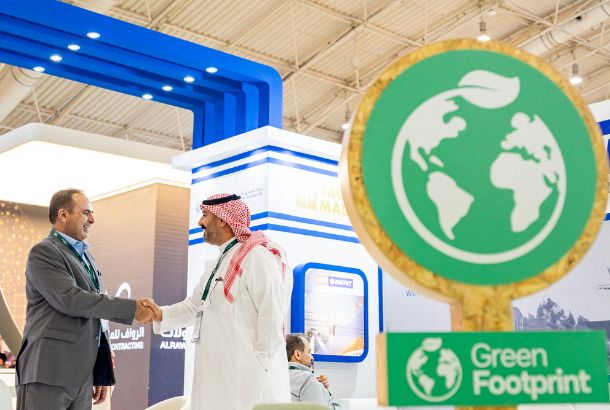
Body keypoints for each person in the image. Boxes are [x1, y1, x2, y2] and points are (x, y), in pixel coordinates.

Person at [145, 193, 293, 410]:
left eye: (204, 215)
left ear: (223, 219)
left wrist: (260, 361)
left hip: (248, 375)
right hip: (219, 375)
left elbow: (272, 312)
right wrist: (160, 314)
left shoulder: (256, 256)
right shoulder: (219, 263)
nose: (199, 222)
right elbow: (194, 306)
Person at [15, 189, 157, 410]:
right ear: (63, 215)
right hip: (48, 373)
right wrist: (132, 309)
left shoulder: (87, 256)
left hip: (81, 377)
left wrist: (101, 369)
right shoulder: (44, 252)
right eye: (86, 213)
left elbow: (96, 315)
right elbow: (71, 300)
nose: (92, 219)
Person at [286, 333, 341, 409]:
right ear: (297, 354)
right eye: (308, 352)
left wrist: (321, 388)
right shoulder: (307, 379)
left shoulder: (281, 377)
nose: (312, 357)